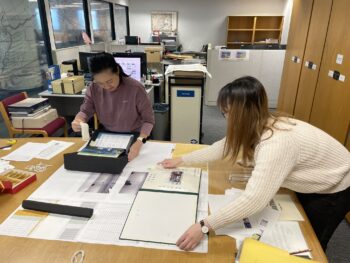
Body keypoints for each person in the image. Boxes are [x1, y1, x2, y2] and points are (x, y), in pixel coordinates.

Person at [159, 76, 350, 251]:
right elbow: (223, 147)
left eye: (227, 113)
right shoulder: (257, 122)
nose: (225, 118)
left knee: (311, 242)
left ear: (243, 113)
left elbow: (254, 200)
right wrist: (182, 160)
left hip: (336, 185)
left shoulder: (277, 142)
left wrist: (204, 226)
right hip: (315, 175)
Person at [72, 53, 155, 161]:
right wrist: (78, 120)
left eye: (109, 81)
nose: (106, 87)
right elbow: (85, 110)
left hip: (135, 136)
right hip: (107, 137)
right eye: (101, 83)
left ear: (117, 70)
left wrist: (140, 142)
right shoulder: (93, 88)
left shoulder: (135, 88)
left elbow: (149, 121)